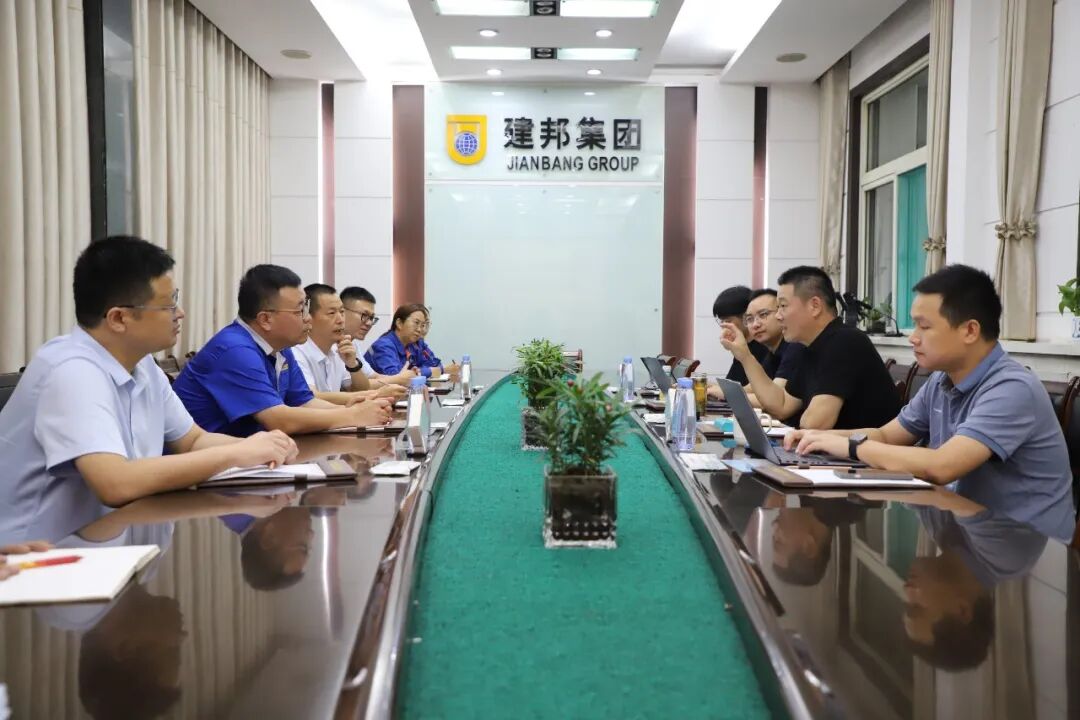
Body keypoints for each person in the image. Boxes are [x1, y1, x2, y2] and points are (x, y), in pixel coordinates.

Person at [0, 237, 299, 545]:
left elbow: (192, 440)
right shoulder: (71, 371)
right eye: (169, 305)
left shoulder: (142, 364)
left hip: (112, 542)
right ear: (119, 318)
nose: (180, 313)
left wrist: (265, 447)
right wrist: (236, 453)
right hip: (38, 558)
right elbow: (115, 483)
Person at [787, 264, 1075, 541]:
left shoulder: (1012, 388)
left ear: (970, 331)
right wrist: (819, 438)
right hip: (965, 530)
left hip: (1025, 550)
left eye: (924, 326)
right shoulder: (941, 380)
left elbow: (942, 466)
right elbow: (887, 435)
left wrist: (852, 446)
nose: (913, 338)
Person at [173, 265, 393, 437]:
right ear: (265, 319)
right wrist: (351, 415)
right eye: (300, 310)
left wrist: (350, 408)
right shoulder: (235, 350)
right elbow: (279, 419)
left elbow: (305, 402)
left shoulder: (281, 348)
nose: (308, 318)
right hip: (205, 468)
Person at [722, 266, 900, 429]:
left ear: (815, 306)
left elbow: (814, 424)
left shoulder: (845, 341)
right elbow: (782, 406)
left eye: (783, 306)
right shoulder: (807, 346)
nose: (778, 316)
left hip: (868, 452)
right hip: (828, 450)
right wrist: (745, 356)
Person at [292, 284, 404, 405]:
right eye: (331, 313)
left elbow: (359, 389)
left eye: (341, 312)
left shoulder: (338, 348)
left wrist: (352, 365)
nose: (341, 320)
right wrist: (376, 394)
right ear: (308, 317)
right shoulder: (296, 351)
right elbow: (311, 397)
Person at [708, 288, 806, 406]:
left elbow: (776, 400)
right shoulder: (772, 352)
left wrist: (727, 394)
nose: (755, 324)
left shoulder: (795, 346)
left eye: (763, 315)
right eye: (750, 319)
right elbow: (750, 388)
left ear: (781, 313)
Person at [339, 286, 415, 389]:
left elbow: (373, 376)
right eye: (364, 315)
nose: (369, 323)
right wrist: (400, 379)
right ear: (342, 312)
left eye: (371, 318)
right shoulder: (384, 345)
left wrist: (402, 378)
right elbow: (353, 387)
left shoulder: (353, 344)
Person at [711, 285, 767, 386]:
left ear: (747, 317)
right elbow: (733, 385)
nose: (724, 326)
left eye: (728, 321)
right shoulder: (741, 346)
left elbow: (755, 389)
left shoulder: (765, 347)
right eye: (721, 321)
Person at [364, 303, 431, 377]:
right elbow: (395, 377)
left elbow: (435, 365)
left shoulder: (413, 344)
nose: (419, 329)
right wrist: (423, 372)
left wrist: (417, 372)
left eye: (422, 325)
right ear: (399, 323)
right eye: (416, 323)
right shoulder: (384, 346)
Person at [409, 306, 460, 378]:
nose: (423, 329)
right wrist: (443, 369)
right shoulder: (407, 344)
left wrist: (438, 369)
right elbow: (413, 373)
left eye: (426, 324)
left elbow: (435, 363)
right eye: (418, 323)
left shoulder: (421, 344)